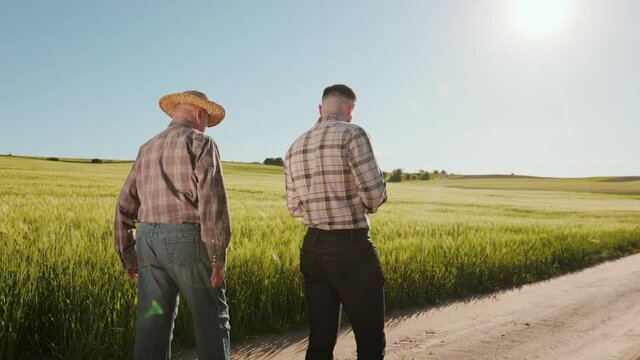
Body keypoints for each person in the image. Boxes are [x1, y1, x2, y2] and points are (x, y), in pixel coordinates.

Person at [114, 90, 231, 360]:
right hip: (187, 241)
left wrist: (128, 255)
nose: (206, 126)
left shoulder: (147, 147)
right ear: (199, 114)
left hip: (147, 242)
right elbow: (212, 203)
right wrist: (218, 257)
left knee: (151, 323)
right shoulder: (201, 142)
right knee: (211, 319)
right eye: (206, 120)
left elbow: (124, 205)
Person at [284, 84, 388, 360]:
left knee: (319, 340)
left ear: (321, 108)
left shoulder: (295, 146)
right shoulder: (352, 133)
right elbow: (375, 195)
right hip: (350, 247)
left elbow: (294, 207)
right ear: (350, 108)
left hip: (312, 248)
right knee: (369, 340)